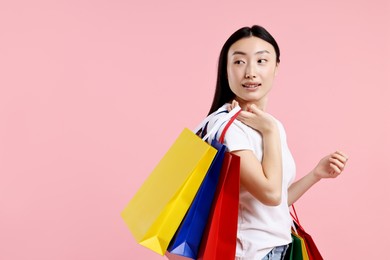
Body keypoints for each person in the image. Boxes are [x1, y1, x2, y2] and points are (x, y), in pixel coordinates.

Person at [203, 25, 349, 260]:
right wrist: (270, 130)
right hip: (248, 254)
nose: (250, 72)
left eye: (261, 61)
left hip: (278, 250)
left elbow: (274, 205)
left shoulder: (268, 125)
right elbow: (269, 194)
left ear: (276, 67)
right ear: (226, 69)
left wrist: (316, 174)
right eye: (239, 62)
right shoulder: (227, 128)